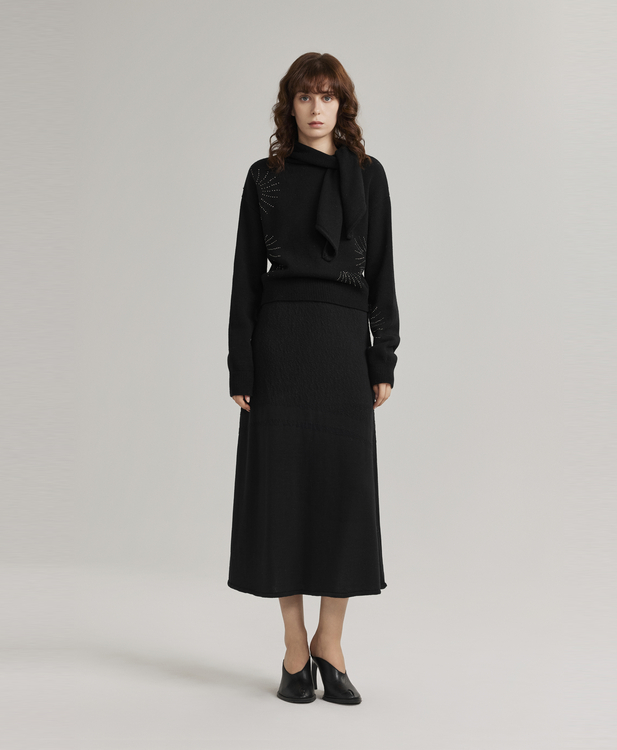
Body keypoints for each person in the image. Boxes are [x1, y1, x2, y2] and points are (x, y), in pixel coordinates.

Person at [226, 52, 401, 705]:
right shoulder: (265, 178)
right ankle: (294, 647)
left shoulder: (369, 176)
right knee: (284, 495)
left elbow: (382, 269)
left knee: (341, 495)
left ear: (342, 105)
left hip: (342, 347)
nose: (316, 107)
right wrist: (241, 362)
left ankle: (331, 641)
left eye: (327, 96)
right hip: (280, 347)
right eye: (305, 96)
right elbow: (246, 275)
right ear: (290, 105)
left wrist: (383, 356)